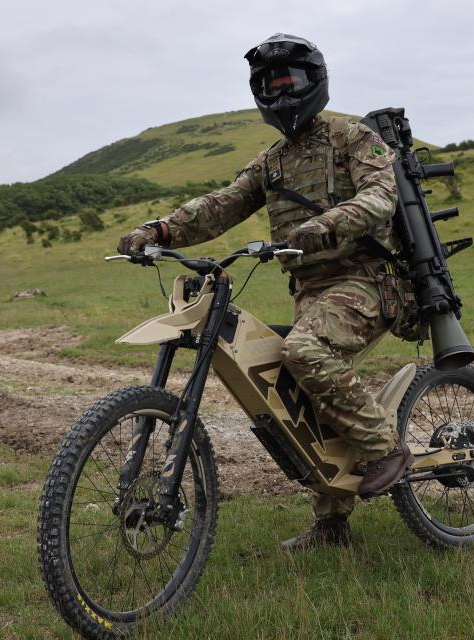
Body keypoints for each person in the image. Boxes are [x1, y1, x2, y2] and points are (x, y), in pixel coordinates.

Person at [118, 33, 413, 550]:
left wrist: (327, 224)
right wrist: (159, 231)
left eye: (289, 81)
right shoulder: (270, 163)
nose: (280, 93)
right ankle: (332, 525)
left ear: (313, 82)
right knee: (294, 388)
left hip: (368, 280)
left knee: (303, 351)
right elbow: (220, 205)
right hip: (314, 291)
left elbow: (380, 197)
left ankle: (384, 446)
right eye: (269, 86)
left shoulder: (352, 138)